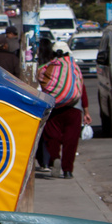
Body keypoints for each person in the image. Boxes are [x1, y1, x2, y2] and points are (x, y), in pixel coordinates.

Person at [37, 39, 90, 179]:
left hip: (54, 108)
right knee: (70, 140)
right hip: (74, 108)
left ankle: (54, 157)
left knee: (52, 136)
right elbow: (81, 89)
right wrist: (86, 111)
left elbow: (43, 85)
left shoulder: (47, 68)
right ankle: (67, 170)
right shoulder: (74, 68)